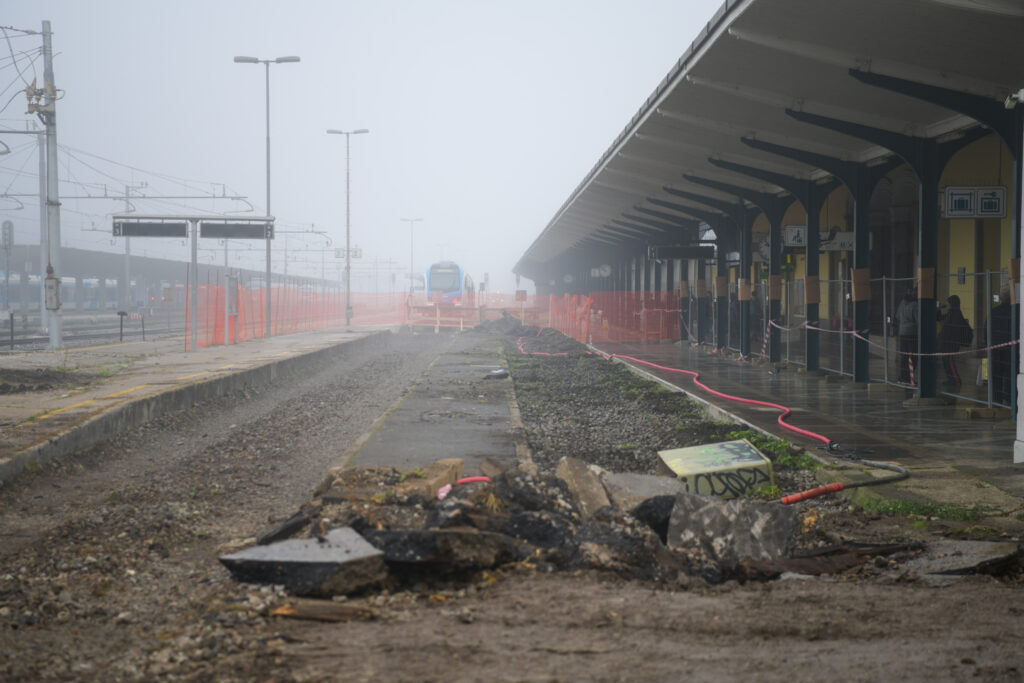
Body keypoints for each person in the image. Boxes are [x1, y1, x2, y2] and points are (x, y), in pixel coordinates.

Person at [937, 294, 970, 387]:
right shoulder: (951, 313)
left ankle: (956, 380)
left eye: (948, 303)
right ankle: (950, 379)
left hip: (951, 343)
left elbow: (951, 327)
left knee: (949, 361)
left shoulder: (956, 314)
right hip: (946, 342)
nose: (946, 304)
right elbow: (941, 319)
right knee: (945, 361)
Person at [990, 288, 1013, 404]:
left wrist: (987, 344)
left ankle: (996, 398)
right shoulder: (1014, 311)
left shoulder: (993, 312)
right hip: (1010, 348)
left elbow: (986, 329)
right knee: (1009, 373)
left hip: (995, 347)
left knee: (996, 374)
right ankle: (1009, 397)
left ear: (1000, 298)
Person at [894, 286, 919, 384]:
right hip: (912, 333)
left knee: (904, 357)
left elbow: (897, 316)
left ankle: (902, 377)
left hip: (902, 333)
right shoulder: (915, 304)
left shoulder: (902, 302)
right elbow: (918, 320)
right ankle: (909, 378)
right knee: (913, 357)